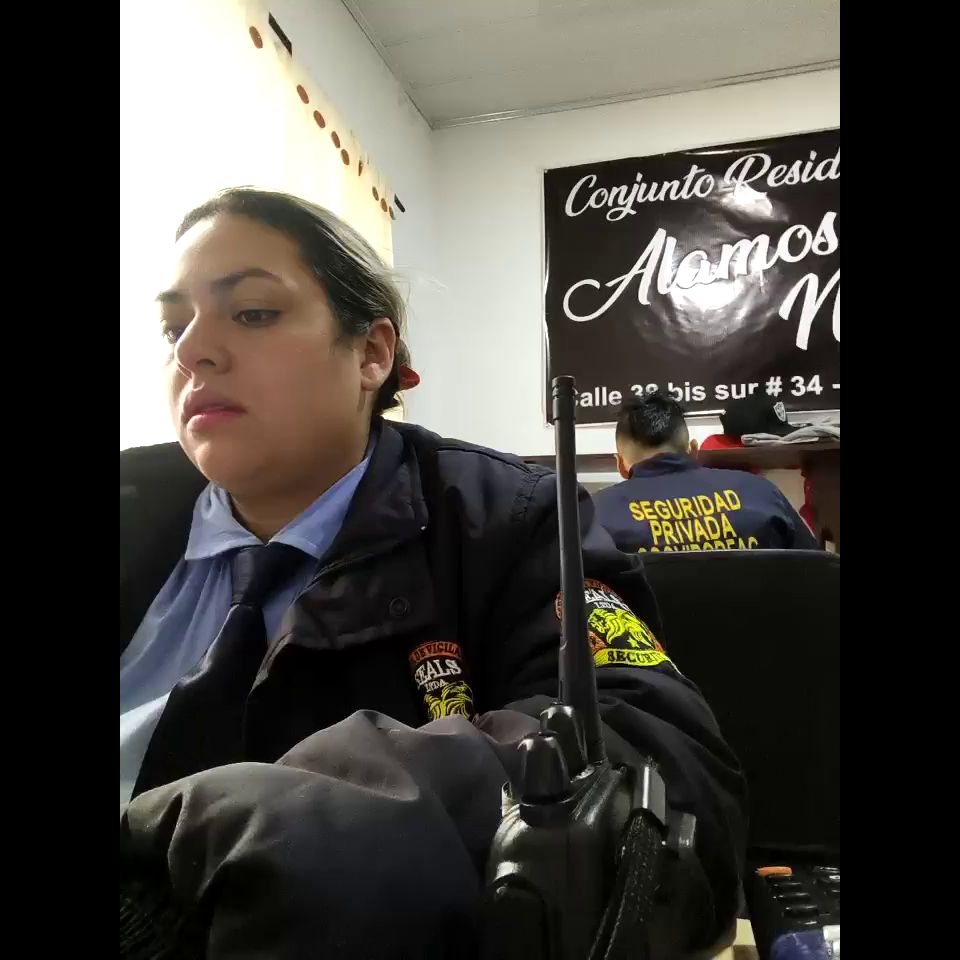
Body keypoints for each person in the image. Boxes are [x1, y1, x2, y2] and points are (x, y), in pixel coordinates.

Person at [119, 188, 747, 958]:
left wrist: (288, 827)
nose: (191, 351)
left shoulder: (511, 520)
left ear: (372, 354)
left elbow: (658, 766)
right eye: (172, 326)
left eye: (252, 313)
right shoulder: (131, 512)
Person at [593, 392, 818, 553]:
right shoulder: (761, 493)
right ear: (693, 450)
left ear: (620, 465)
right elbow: (818, 575)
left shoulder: (596, 514)